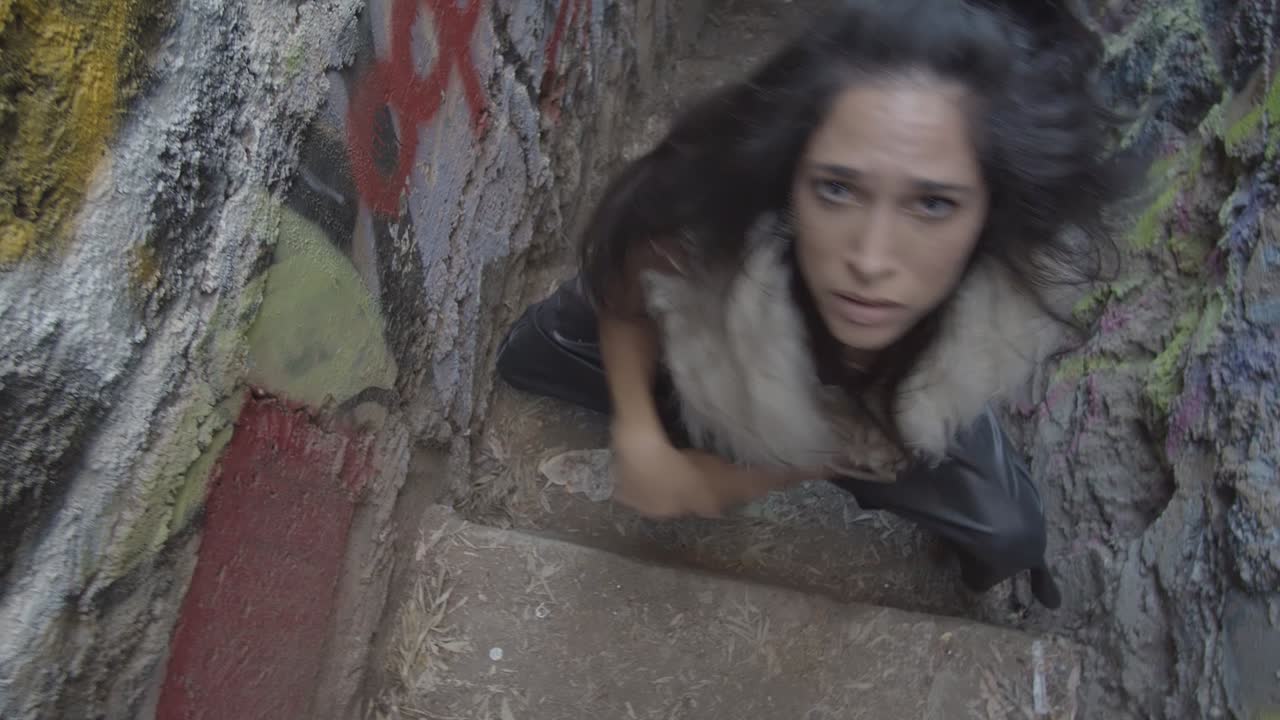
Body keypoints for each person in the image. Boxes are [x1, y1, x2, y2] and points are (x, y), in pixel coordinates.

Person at [495, 0, 1137, 609]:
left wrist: (750, 478)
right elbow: (627, 274)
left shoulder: (995, 304)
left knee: (1010, 534)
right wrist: (639, 432)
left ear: (991, 214)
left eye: (933, 204)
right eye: (836, 188)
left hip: (888, 404)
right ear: (791, 174)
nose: (871, 258)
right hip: (713, 338)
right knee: (531, 356)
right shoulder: (714, 218)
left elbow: (837, 452)